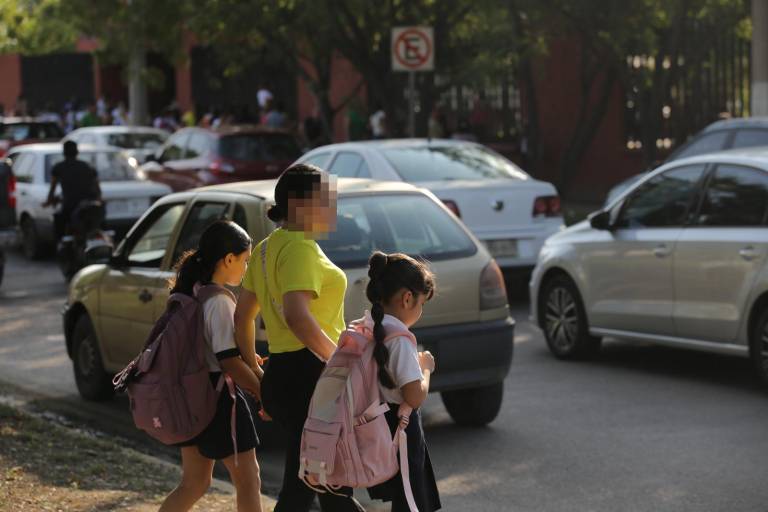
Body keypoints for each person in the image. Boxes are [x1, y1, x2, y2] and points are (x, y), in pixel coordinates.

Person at [234, 164, 364, 512]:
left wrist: (258, 372)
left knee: (313, 479)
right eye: (326, 200)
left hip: (284, 375)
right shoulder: (300, 247)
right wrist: (340, 359)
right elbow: (296, 314)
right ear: (300, 204)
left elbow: (242, 317)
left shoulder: (264, 248)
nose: (333, 208)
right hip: (311, 375)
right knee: (321, 479)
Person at [159, 220, 264, 512]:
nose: (246, 268)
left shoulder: (193, 289)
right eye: (245, 261)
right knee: (249, 480)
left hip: (191, 396)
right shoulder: (219, 300)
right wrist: (262, 391)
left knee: (194, 483)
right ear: (228, 259)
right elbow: (228, 360)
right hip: (220, 401)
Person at [363, 252, 442, 512]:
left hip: (377, 425)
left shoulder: (367, 326)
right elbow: (414, 396)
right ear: (407, 298)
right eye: (422, 303)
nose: (420, 310)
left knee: (403, 498)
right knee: (412, 502)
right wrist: (426, 368)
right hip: (401, 431)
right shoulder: (399, 339)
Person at [43, 141, 102, 240]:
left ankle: (60, 244)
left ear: (64, 153)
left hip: (70, 206)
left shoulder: (59, 167)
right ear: (77, 152)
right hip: (90, 204)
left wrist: (49, 201)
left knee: (59, 225)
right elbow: (97, 188)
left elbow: (52, 188)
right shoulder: (87, 166)